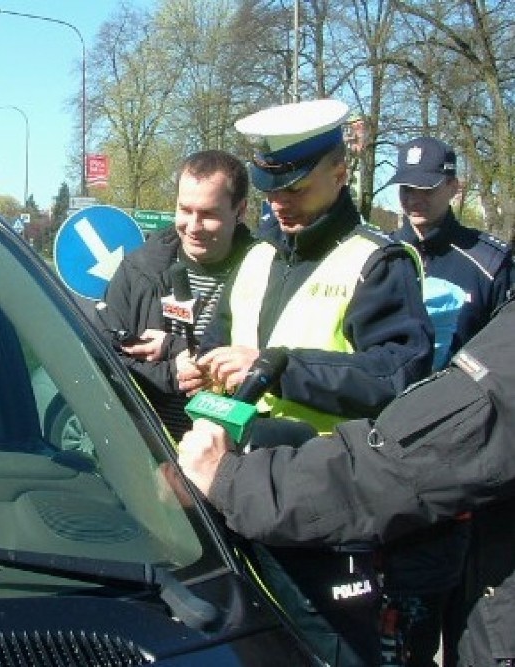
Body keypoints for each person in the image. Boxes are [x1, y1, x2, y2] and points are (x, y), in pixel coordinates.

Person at [176, 99, 434, 666]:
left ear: (340, 175)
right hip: (237, 492)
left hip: (324, 512)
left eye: (294, 188)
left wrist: (279, 367)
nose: (279, 203)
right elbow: (224, 348)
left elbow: (401, 376)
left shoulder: (377, 262)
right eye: (270, 189)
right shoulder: (258, 256)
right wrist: (198, 368)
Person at [176, 291, 515, 667]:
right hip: (285, 506)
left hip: (341, 521)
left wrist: (236, 480)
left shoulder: (376, 261)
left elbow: (414, 440)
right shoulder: (256, 259)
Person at [379, 137, 513, 666]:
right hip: (392, 451)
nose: (414, 199)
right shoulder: (378, 253)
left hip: (466, 462)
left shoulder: (488, 262)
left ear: (454, 188)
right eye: (406, 189)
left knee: (464, 615)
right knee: (399, 626)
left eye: (427, 190)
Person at [97, 149, 255, 441]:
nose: (193, 227)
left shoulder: (264, 273)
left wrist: (183, 352)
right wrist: (172, 373)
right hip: (151, 448)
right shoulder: (138, 270)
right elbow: (104, 357)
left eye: (208, 214)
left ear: (240, 210)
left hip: (234, 457)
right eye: (185, 210)